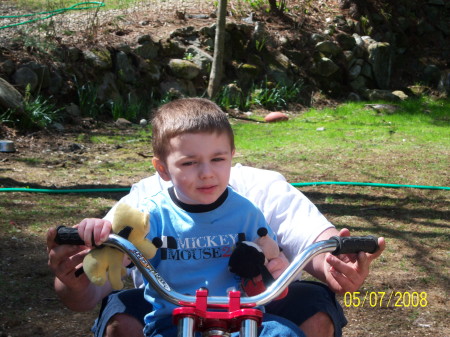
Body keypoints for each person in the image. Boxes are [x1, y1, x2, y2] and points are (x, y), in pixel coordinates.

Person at [47, 99, 385, 337]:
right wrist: (78, 267)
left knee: (297, 320)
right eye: (189, 162)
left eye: (218, 158)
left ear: (232, 155)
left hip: (245, 312)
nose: (207, 174)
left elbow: (308, 241)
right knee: (120, 315)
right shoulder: (144, 209)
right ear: (163, 168)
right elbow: (97, 278)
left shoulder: (254, 197)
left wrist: (332, 262)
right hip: (171, 313)